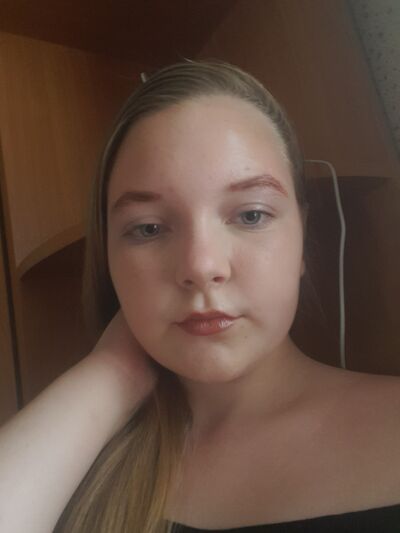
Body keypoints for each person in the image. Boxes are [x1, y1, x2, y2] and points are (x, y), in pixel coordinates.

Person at [1, 59, 400, 533]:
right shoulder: (73, 462)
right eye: (148, 228)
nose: (201, 266)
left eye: (251, 215)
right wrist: (111, 373)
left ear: (302, 239)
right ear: (109, 258)